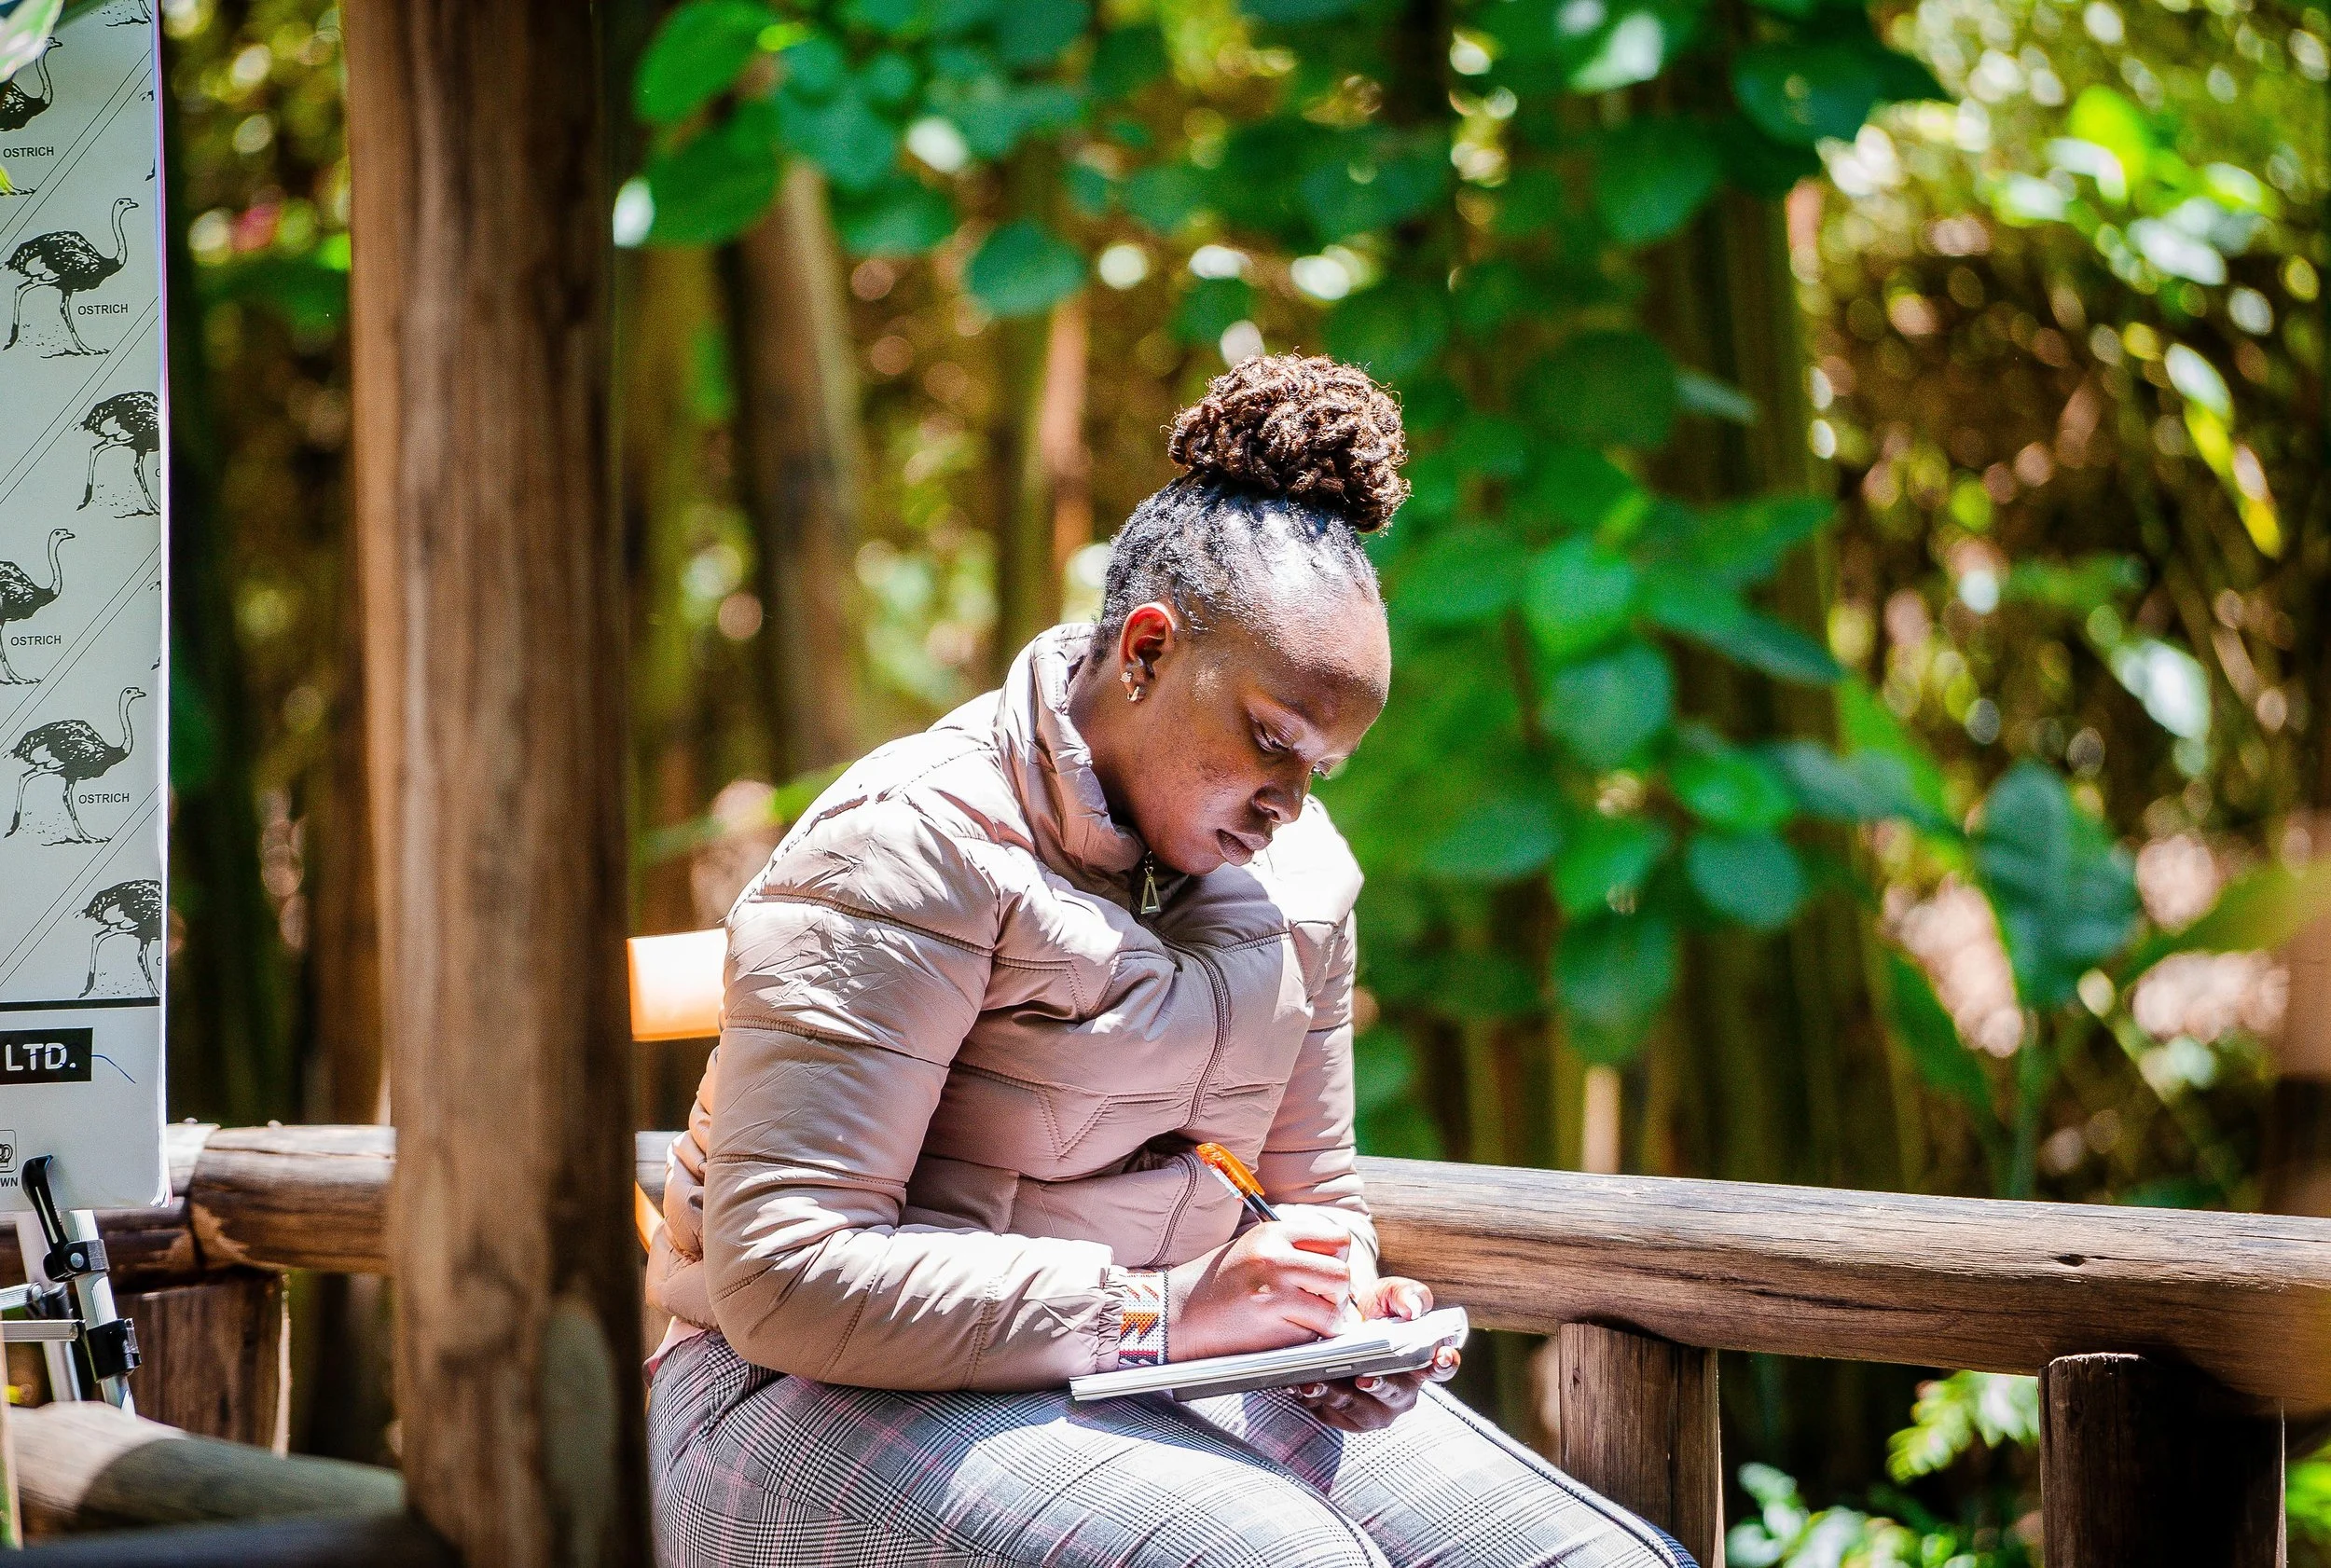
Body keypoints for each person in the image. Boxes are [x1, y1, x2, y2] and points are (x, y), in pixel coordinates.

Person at [645, 353, 1696, 1568]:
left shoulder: (1304, 880)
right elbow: (784, 1274)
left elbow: (1313, 1203)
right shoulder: (909, 845)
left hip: (1163, 1369)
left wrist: (1336, 1311)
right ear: (1146, 650)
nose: (1289, 806)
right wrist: (1166, 1313)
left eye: (1323, 768)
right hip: (781, 1400)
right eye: (1268, 741)